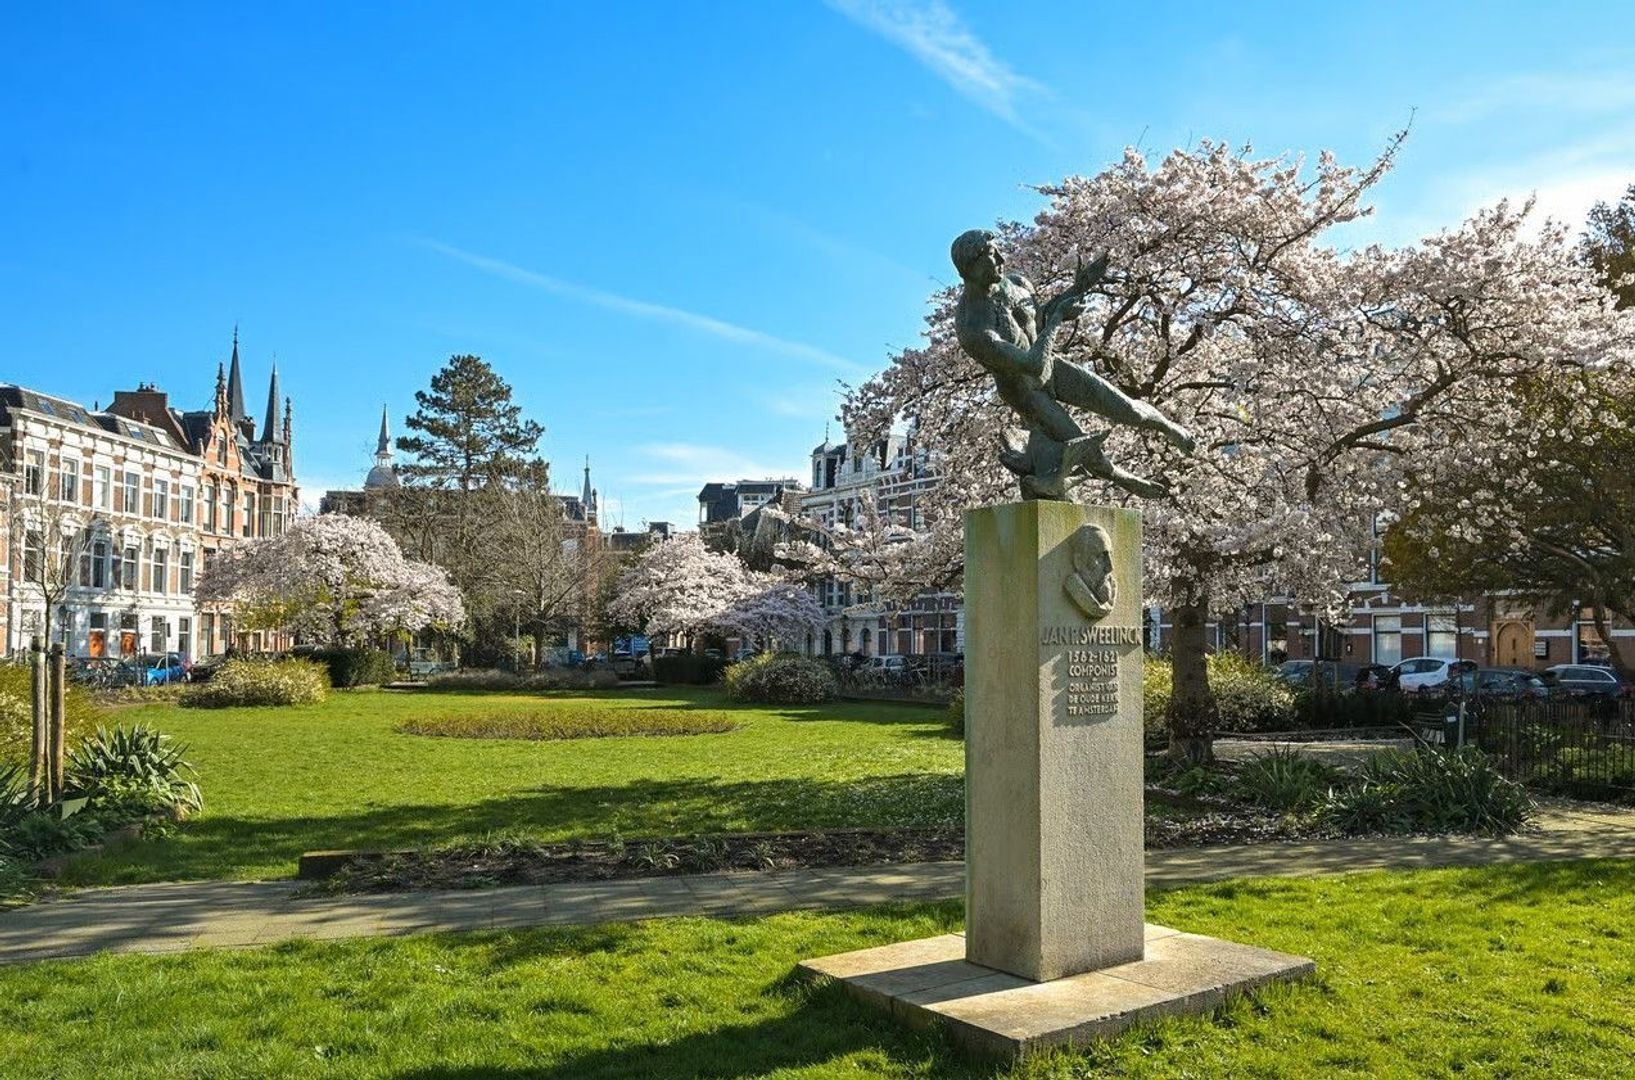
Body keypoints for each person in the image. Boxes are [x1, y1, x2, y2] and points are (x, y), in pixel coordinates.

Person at [951, 229, 1194, 499]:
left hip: (1052, 367)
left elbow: (1038, 319)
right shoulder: (973, 327)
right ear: (969, 267)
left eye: (998, 250)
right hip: (1027, 392)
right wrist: (1058, 320)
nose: (1001, 258)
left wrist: (1079, 288)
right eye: (990, 254)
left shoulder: (1016, 283)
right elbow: (1031, 364)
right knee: (1081, 445)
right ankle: (1126, 479)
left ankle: (1168, 427)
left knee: (1125, 408)